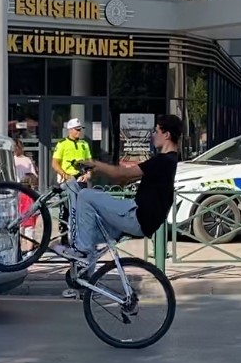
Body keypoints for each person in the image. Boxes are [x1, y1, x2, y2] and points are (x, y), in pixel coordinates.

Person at [51, 114, 183, 269]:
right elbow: (124, 180)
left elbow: (120, 174)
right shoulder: (170, 161)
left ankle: (82, 252)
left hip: (136, 216)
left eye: (156, 131)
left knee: (85, 195)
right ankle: (85, 285)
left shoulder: (162, 161)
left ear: (166, 135)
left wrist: (96, 165)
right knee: (88, 231)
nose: (153, 135)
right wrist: (119, 179)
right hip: (142, 221)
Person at [51, 118, 93, 184]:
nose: (79, 132)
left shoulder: (84, 144)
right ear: (70, 130)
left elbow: (89, 162)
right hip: (67, 179)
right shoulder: (62, 144)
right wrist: (64, 175)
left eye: (80, 129)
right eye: (77, 130)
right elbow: (55, 163)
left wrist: (88, 174)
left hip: (81, 179)